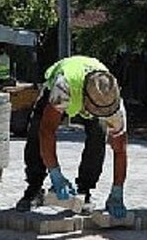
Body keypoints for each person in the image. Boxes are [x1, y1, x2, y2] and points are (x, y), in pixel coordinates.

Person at [16, 55, 129, 217]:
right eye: (94, 110)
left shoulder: (112, 102)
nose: (99, 114)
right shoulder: (63, 87)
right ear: (85, 101)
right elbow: (47, 131)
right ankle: (34, 189)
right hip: (63, 83)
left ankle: (85, 190)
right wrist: (56, 174)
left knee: (98, 135)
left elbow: (120, 150)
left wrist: (118, 191)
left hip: (90, 89)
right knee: (36, 133)